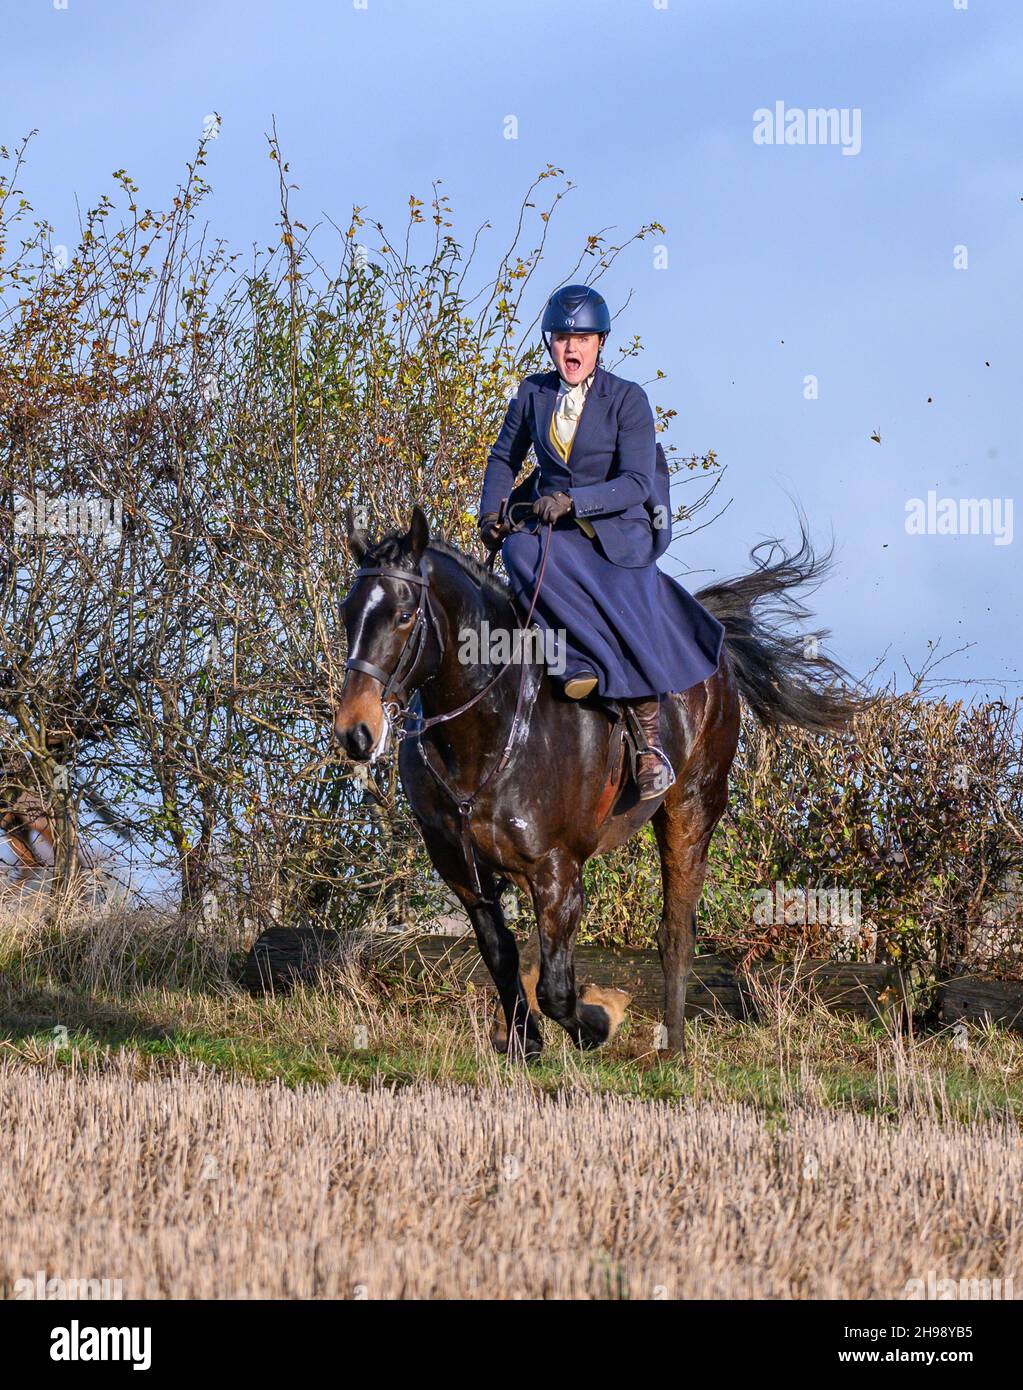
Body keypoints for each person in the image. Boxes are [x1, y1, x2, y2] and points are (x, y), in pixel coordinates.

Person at [477, 284, 725, 800]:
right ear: (550, 343)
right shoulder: (532, 394)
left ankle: (649, 736)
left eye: (583, 339)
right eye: (563, 338)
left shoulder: (628, 399)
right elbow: (504, 459)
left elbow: (637, 481)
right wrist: (492, 514)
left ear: (601, 343)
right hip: (551, 531)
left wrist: (574, 502)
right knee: (520, 552)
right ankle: (573, 665)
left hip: (617, 531)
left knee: (621, 597)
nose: (572, 349)